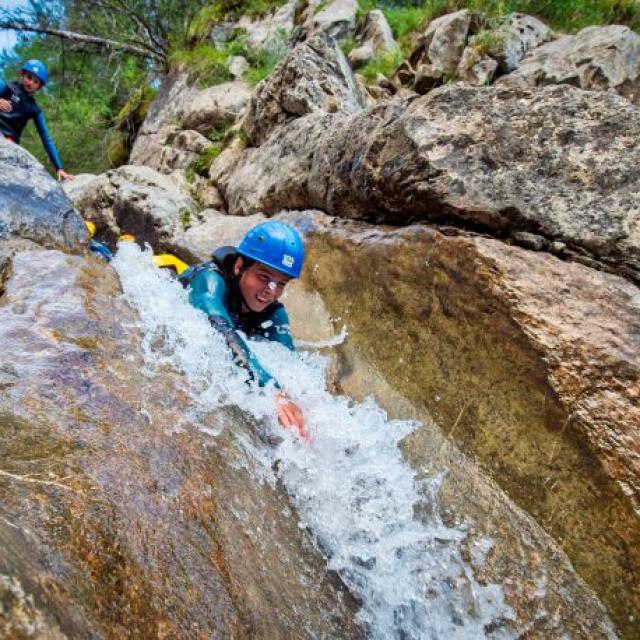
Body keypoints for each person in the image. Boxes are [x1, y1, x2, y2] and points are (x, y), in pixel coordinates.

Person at [179, 221, 310, 440]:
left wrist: (296, 406)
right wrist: (270, 389)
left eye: (280, 284)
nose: (270, 291)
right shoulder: (210, 281)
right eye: (264, 277)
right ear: (239, 265)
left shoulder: (273, 314)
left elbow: (290, 363)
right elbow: (220, 331)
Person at [0, 59, 74, 181]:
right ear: (22, 74)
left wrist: (59, 168)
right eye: (29, 77)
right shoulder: (6, 87)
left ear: (39, 87)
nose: (31, 83)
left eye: (35, 82)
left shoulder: (34, 109)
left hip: (8, 143)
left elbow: (47, 139)